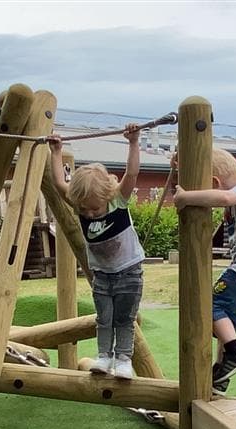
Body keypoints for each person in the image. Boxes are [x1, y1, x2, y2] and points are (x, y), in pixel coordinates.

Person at [173, 148, 236, 394]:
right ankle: (221, 376)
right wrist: (180, 162)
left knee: (207, 306)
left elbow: (224, 199)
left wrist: (187, 197)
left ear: (214, 183)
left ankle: (235, 352)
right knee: (226, 319)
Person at [48, 124, 144, 380]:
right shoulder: (82, 202)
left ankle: (124, 359)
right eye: (84, 210)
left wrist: (134, 142)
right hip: (102, 275)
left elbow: (132, 173)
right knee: (104, 319)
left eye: (94, 210)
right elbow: (59, 183)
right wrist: (56, 152)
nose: (89, 214)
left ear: (107, 196)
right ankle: (104, 357)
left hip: (129, 272)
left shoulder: (117, 200)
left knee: (124, 319)